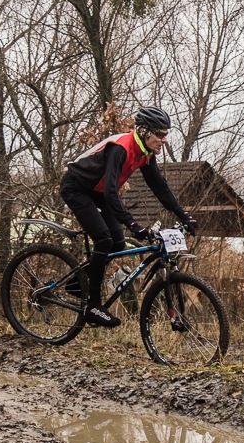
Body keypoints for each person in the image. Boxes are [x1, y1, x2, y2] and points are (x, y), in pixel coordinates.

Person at [60, 106, 198, 327]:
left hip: (97, 191)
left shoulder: (145, 154)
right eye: (160, 134)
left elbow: (160, 188)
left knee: (117, 243)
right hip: (77, 188)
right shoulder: (122, 148)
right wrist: (132, 224)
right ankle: (92, 306)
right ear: (144, 131)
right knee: (103, 239)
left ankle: (78, 284)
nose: (164, 140)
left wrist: (184, 216)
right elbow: (111, 192)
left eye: (166, 134)